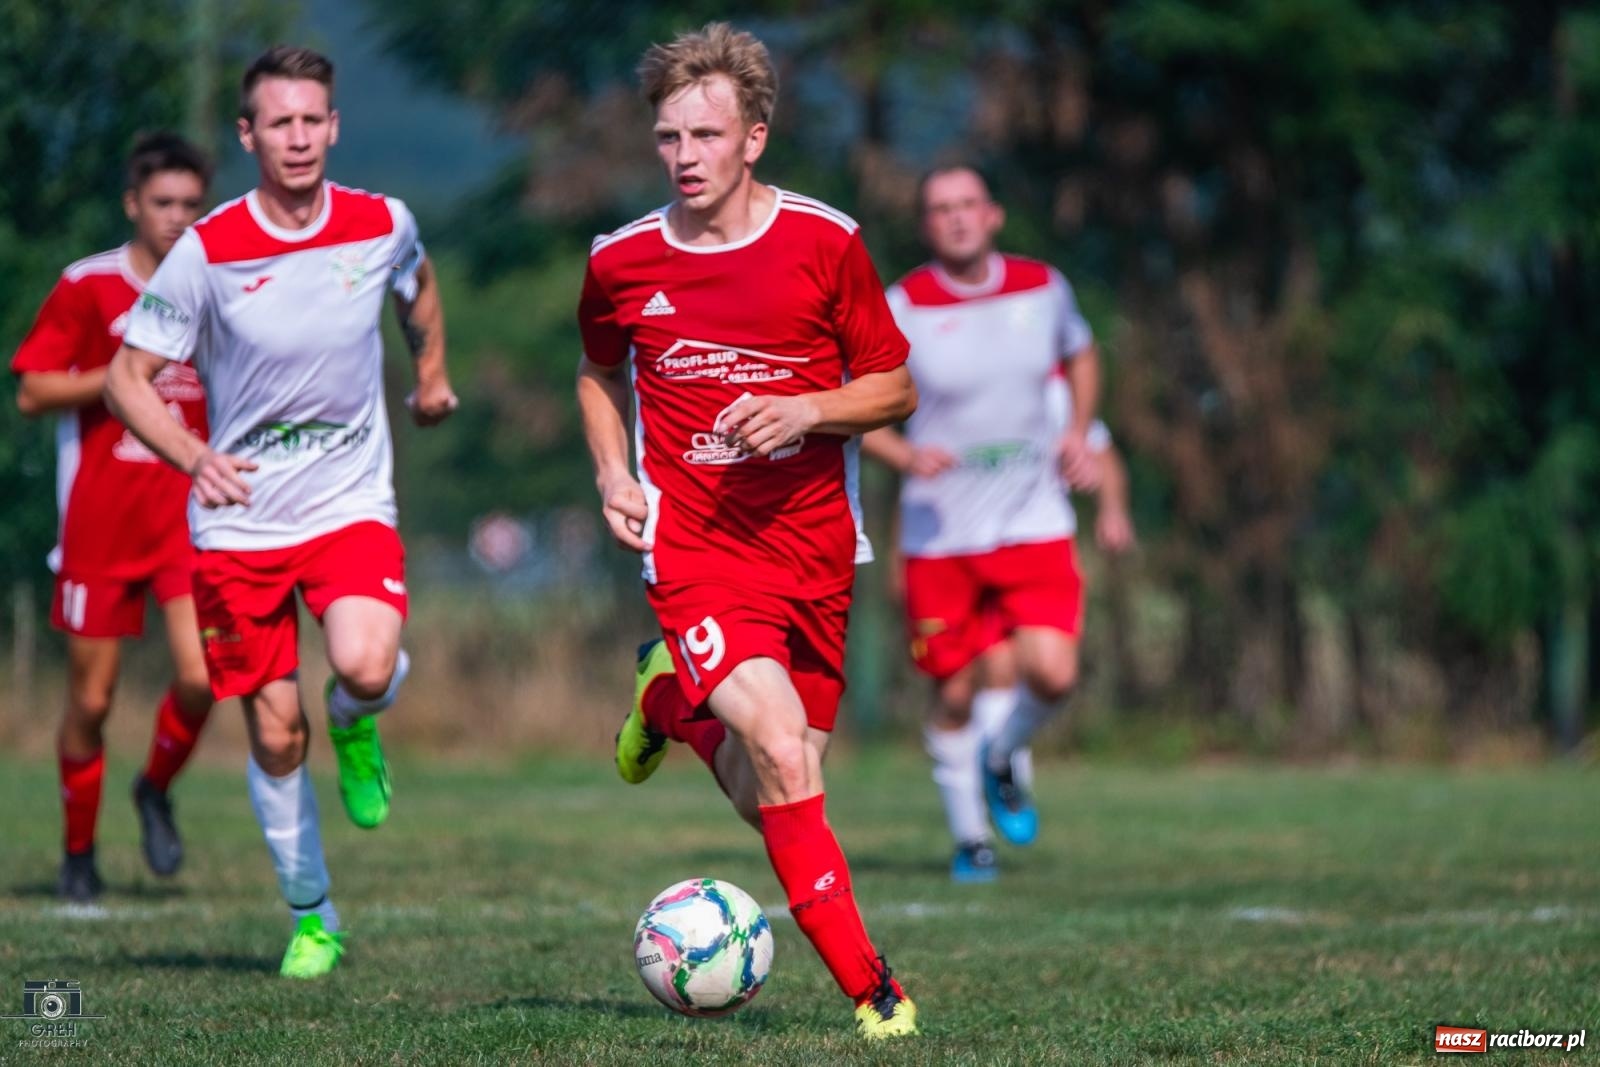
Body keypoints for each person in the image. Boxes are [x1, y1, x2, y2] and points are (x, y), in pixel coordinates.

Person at [576, 23, 920, 1040]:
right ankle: (874, 991)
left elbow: (894, 386)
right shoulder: (622, 260)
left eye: (705, 134)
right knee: (778, 747)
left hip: (815, 550)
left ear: (753, 138)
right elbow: (598, 373)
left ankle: (671, 701)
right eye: (668, 136)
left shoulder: (826, 241)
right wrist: (611, 467)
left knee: (769, 773)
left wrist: (807, 409)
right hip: (695, 548)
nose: (683, 155)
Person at [104, 46, 457, 978]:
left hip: (348, 501)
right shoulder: (207, 250)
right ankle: (314, 915)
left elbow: (420, 288)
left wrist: (430, 376)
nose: (298, 138)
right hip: (242, 523)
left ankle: (356, 716)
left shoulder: (382, 223)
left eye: (313, 120)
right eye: (279, 123)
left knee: (366, 662)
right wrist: (192, 455)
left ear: (333, 126)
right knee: (270, 728)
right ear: (249, 134)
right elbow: (124, 378)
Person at [861, 165, 1103, 882]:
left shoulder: (1044, 286)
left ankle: (1003, 754)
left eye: (968, 205)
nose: (957, 218)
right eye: (940, 209)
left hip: (1034, 518)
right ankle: (971, 838)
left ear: (993, 214)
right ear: (926, 225)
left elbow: (1082, 353)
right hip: (942, 533)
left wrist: (1080, 433)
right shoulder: (901, 304)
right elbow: (852, 405)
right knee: (955, 690)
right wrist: (904, 454)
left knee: (1053, 674)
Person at [11, 133, 216, 903]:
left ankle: (154, 787)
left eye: (191, 205)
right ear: (134, 203)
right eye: (163, 203)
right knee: (91, 702)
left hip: (185, 520)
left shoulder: (216, 281)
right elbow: (32, 390)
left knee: (202, 678)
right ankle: (76, 854)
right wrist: (125, 374)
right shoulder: (88, 285)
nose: (177, 217)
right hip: (99, 523)